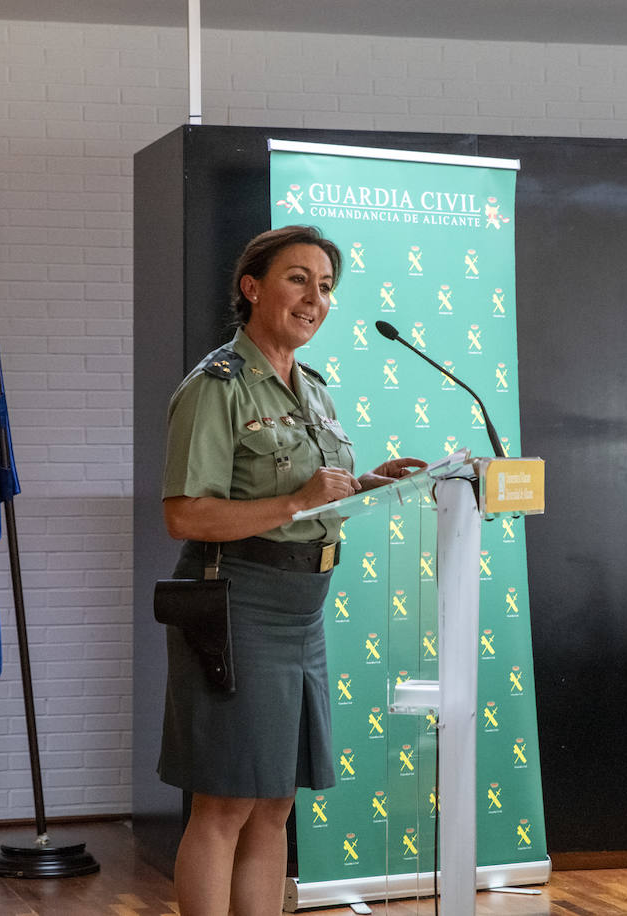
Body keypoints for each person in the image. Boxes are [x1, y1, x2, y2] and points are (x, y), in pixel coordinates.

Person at [160, 225, 426, 915]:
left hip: (301, 606)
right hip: (235, 600)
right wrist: (297, 500)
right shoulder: (216, 386)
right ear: (253, 287)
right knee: (226, 800)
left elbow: (307, 500)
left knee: (275, 802)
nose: (316, 298)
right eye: (298, 279)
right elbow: (186, 515)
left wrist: (365, 485)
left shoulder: (313, 389)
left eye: (327, 286)